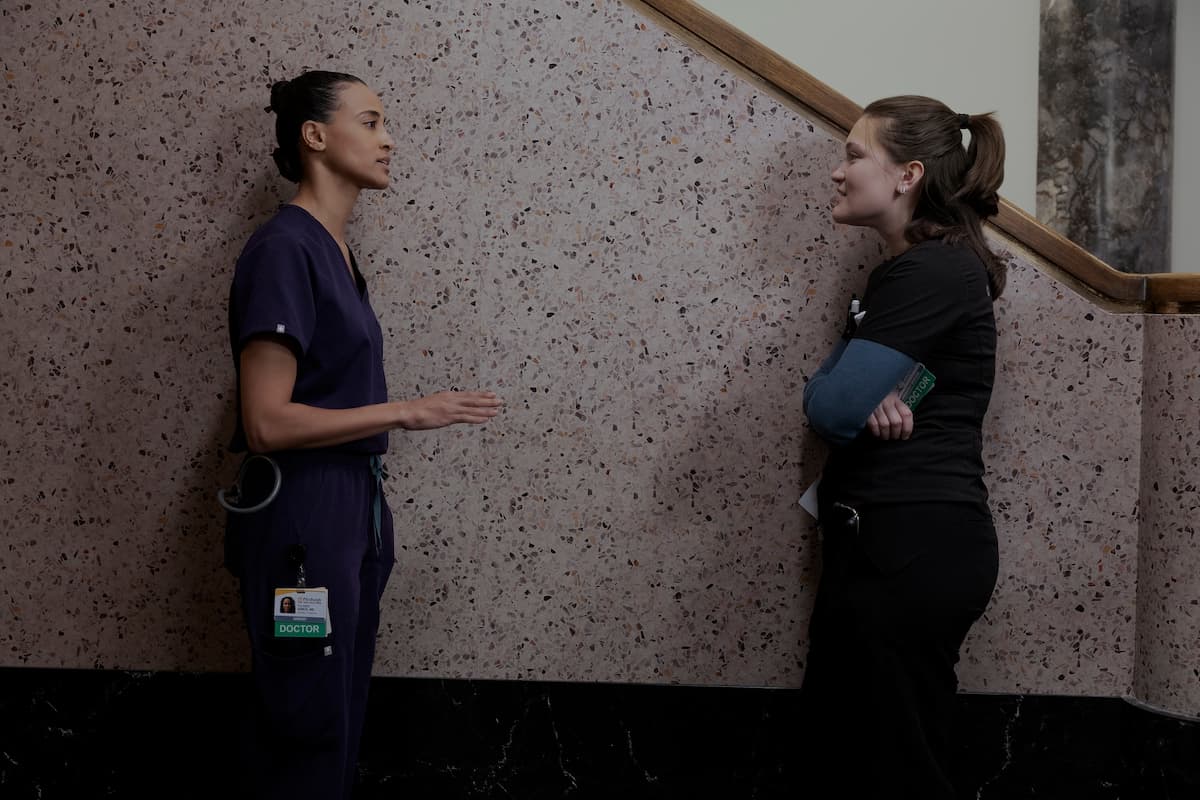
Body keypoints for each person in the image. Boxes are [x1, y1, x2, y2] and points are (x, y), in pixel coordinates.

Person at [224, 70, 502, 799]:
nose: (390, 140)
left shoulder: (338, 254)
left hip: (353, 507)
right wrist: (405, 411)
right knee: (304, 715)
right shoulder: (286, 249)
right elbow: (265, 421)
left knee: (337, 707)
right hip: (302, 519)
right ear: (315, 137)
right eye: (372, 122)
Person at [799, 95, 1005, 798]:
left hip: (913, 546)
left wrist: (842, 389)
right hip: (888, 543)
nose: (838, 171)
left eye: (855, 155)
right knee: (859, 759)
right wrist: (852, 389)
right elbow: (843, 402)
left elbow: (830, 408)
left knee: (897, 769)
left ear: (908, 174)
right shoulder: (907, 272)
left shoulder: (932, 273)